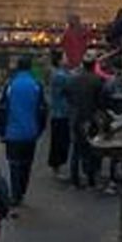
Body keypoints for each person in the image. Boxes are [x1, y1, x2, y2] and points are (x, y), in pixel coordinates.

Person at [0, 55, 46, 210]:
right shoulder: (37, 85)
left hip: (12, 132)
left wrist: (1, 130)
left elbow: (2, 109)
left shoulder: (10, 85)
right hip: (31, 133)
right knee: (27, 164)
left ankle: (15, 193)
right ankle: (22, 191)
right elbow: (42, 109)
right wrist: (39, 129)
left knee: (14, 165)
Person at [65, 51, 106, 189]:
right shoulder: (97, 81)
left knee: (76, 149)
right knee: (91, 148)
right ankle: (91, 178)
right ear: (94, 64)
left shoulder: (72, 79)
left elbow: (67, 96)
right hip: (91, 117)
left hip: (76, 116)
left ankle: (74, 179)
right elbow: (101, 101)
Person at [46, 49, 72, 179]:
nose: (67, 59)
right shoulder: (61, 76)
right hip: (61, 112)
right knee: (60, 141)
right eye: (65, 57)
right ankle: (57, 167)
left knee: (59, 141)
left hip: (58, 112)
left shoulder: (57, 74)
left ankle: (57, 166)